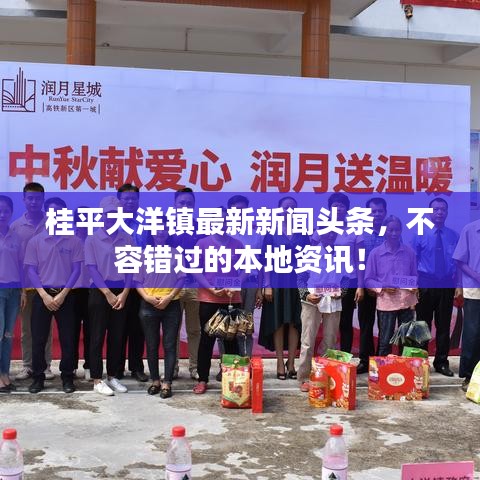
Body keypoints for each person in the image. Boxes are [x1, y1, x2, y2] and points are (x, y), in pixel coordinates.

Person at [24, 197, 83, 394]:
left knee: (68, 338)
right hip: (43, 295)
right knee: (38, 338)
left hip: (66, 295)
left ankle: (67, 377)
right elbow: (31, 270)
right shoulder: (36, 241)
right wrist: (44, 295)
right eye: (51, 211)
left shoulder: (73, 241)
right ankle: (38, 377)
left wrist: (63, 294)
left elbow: (76, 270)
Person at [192, 207, 244, 394]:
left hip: (231, 299)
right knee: (206, 340)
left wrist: (235, 284)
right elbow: (195, 270)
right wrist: (210, 287)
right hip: (208, 299)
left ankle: (232, 379)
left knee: (231, 340)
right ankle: (202, 379)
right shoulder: (202, 244)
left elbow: (245, 269)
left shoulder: (238, 244)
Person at [258, 196, 310, 380]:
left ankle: (292, 363)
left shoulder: (302, 233)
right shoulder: (271, 232)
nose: (289, 211)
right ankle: (280, 362)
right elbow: (265, 261)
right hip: (276, 281)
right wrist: (267, 285)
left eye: (292, 208)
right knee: (278, 322)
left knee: (295, 322)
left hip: (297, 282)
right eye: (285, 207)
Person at [85, 196, 132, 396]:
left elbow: (130, 269)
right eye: (109, 214)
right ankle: (97, 379)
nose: (112, 217)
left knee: (117, 336)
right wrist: (107, 293)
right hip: (99, 291)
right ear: (101, 215)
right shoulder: (92, 239)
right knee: (97, 336)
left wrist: (124, 293)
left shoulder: (126, 238)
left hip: (121, 292)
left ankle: (112, 376)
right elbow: (92, 269)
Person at [11, 183, 54, 381]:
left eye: (37, 198)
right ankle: (27, 365)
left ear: (43, 200)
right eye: (30, 198)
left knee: (46, 329)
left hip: (48, 285)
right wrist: (21, 289)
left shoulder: (52, 222)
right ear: (24, 200)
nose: (34, 202)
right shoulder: (16, 227)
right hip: (27, 286)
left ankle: (46, 366)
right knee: (27, 329)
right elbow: (16, 260)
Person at [135, 227, 185, 398]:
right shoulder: (144, 255)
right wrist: (147, 298)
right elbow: (138, 281)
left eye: (163, 230)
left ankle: (167, 382)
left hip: (171, 304)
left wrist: (169, 297)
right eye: (157, 230)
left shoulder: (176, 254)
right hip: (149, 305)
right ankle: (155, 380)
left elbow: (181, 279)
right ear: (152, 233)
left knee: (169, 345)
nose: (160, 233)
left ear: (168, 232)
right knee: (151, 344)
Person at [411, 198, 459, 377]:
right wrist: (414, 285)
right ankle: (421, 363)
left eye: (443, 209)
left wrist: (458, 285)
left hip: (446, 283)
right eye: (436, 209)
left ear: (447, 212)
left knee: (444, 325)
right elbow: (412, 261)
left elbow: (458, 262)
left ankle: (441, 362)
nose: (439, 212)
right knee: (422, 325)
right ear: (429, 212)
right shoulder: (419, 234)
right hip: (425, 282)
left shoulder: (453, 235)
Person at [312, 193, 364, 353]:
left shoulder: (354, 230)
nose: (339, 208)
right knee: (325, 319)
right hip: (325, 281)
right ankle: (324, 357)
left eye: (342, 205)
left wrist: (360, 285)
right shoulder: (322, 228)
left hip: (347, 281)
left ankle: (345, 358)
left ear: (347, 208)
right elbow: (311, 254)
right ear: (330, 208)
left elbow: (359, 259)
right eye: (335, 205)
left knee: (345, 321)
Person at [365, 216, 418, 356]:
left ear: (401, 231)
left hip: (406, 302)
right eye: (391, 230)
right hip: (386, 303)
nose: (394, 233)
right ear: (384, 231)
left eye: (397, 230)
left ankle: (404, 368)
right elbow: (368, 280)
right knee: (385, 340)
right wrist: (382, 287)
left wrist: (414, 286)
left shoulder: (409, 252)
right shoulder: (375, 254)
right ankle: (383, 368)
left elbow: (414, 276)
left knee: (406, 341)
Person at [297, 230, 343, 392]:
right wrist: (307, 295)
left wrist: (342, 292)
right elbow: (300, 278)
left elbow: (346, 278)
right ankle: (304, 377)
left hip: (333, 300)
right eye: (326, 231)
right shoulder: (310, 252)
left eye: (333, 232)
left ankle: (325, 376)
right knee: (307, 341)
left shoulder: (341, 253)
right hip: (312, 301)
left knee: (330, 340)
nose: (330, 235)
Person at [168, 188, 204, 381]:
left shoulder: (200, 228)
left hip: (195, 285)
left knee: (194, 330)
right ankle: (171, 368)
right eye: (181, 203)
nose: (185, 206)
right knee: (172, 329)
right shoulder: (167, 229)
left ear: (194, 205)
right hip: (172, 287)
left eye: (189, 203)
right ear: (175, 205)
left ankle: (195, 367)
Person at [116, 183, 150, 382]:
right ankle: (117, 367)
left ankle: (137, 367)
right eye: (126, 198)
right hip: (118, 280)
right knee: (118, 324)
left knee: (138, 325)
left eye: (133, 198)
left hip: (141, 280)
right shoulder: (112, 223)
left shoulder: (145, 222)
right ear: (119, 200)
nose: (130, 202)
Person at [356, 197, 387, 374]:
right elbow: (359, 262)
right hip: (366, 286)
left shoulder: (391, 232)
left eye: (380, 211)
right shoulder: (361, 234)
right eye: (372, 212)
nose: (376, 214)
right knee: (366, 325)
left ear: (385, 212)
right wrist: (362, 285)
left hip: (386, 289)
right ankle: (365, 360)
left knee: (385, 325)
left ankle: (381, 361)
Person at [0, 195, 25, 393]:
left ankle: (5, 374)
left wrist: (23, 290)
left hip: (14, 291)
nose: (2, 214)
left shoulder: (16, 236)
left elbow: (21, 265)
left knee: (8, 335)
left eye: (5, 211)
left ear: (11, 213)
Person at [452, 218, 480, 392]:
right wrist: (476, 276)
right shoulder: (470, 230)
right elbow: (460, 260)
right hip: (475, 290)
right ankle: (469, 376)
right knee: (473, 334)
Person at [71, 208, 91, 380]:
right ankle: (71, 366)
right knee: (71, 331)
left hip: (92, 291)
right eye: (81, 220)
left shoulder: (94, 240)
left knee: (91, 331)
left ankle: (89, 365)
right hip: (73, 291)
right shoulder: (69, 240)